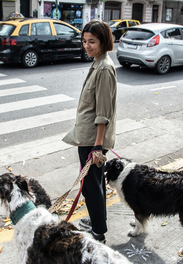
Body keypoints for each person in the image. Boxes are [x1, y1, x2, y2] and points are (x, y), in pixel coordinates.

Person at [62, 20, 118, 243]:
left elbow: (103, 113)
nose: (86, 45)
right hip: (88, 137)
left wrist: (97, 146)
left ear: (103, 41)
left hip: (93, 141)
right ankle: (98, 221)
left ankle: (98, 233)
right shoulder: (98, 62)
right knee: (94, 184)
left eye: (92, 42)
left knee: (90, 187)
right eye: (84, 41)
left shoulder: (104, 68)